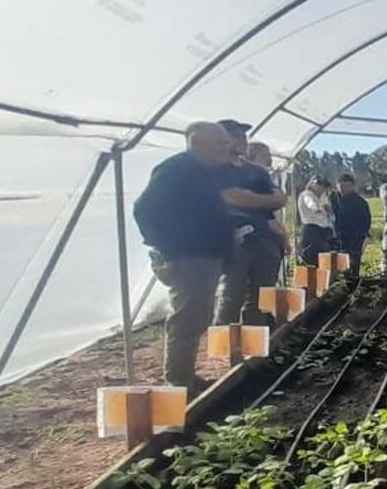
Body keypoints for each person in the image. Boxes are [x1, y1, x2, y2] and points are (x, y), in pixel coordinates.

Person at [133, 122, 235, 391]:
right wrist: (170, 248)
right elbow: (144, 210)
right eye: (220, 142)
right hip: (191, 257)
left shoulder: (203, 172)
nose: (227, 147)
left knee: (197, 315)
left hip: (203, 256)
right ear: (196, 140)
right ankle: (178, 384)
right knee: (186, 318)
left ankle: (186, 377)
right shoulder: (178, 169)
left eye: (226, 142)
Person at [214, 119, 288, 327]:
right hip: (235, 239)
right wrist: (262, 201)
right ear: (221, 140)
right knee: (232, 294)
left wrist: (248, 198)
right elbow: (229, 197)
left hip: (264, 237)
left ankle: (255, 348)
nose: (243, 140)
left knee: (262, 296)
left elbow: (280, 198)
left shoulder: (256, 171)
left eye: (244, 136)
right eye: (236, 136)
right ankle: (225, 349)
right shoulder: (215, 168)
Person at [332, 173, 372, 277]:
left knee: (352, 264)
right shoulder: (332, 198)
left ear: (353, 186)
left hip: (354, 238)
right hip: (336, 237)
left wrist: (360, 237)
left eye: (347, 186)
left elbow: (366, 222)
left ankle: (353, 283)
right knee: (336, 265)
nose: (344, 189)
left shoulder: (360, 202)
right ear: (337, 186)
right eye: (341, 186)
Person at [297, 174, 335, 267]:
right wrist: (319, 209)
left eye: (325, 186)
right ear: (313, 184)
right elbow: (311, 205)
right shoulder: (307, 194)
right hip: (313, 231)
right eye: (321, 185)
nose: (323, 189)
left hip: (322, 232)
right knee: (314, 261)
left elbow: (331, 217)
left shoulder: (320, 197)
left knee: (324, 261)